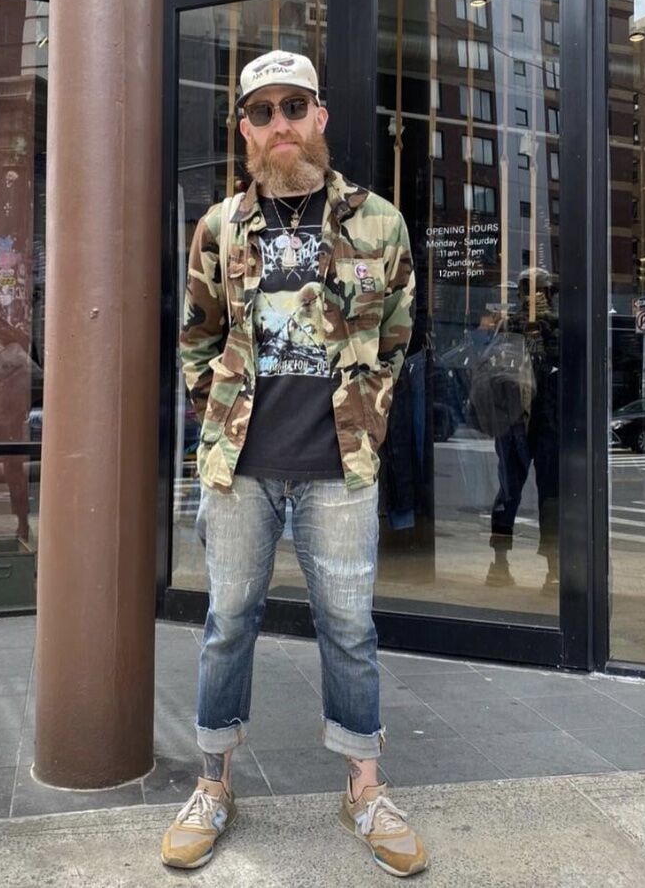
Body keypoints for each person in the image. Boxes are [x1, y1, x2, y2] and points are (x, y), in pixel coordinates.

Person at [163, 49, 427, 877]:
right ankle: (213, 785)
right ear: (244, 128)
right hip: (240, 470)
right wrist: (220, 417)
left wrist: (368, 425)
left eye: (294, 105)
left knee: (350, 630)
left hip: (337, 471)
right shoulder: (219, 227)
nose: (280, 123)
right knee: (226, 627)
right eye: (263, 109)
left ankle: (366, 789)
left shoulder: (378, 222)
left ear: (321, 116)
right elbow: (197, 338)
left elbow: (396, 339)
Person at [485, 267, 559, 592]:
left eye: (543, 291)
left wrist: (545, 330)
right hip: (514, 419)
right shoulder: (509, 325)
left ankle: (553, 567)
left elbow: (561, 366)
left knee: (551, 494)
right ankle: (499, 563)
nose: (537, 297)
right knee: (509, 489)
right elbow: (496, 367)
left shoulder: (556, 326)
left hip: (546, 419)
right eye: (531, 291)